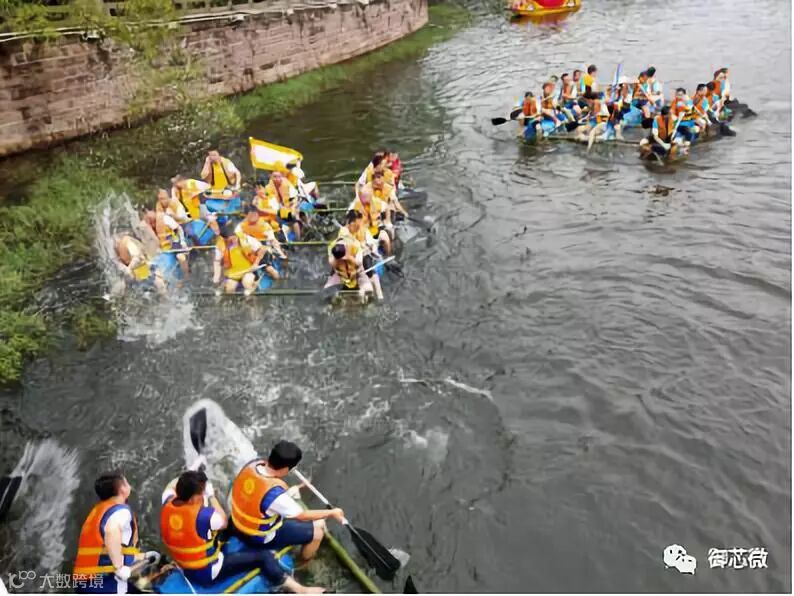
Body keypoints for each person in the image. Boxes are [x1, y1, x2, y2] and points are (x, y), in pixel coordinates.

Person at [160, 468, 324, 593]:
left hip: (187, 565)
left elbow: (171, 486)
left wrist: (191, 477)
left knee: (226, 530)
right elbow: (223, 521)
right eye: (201, 492)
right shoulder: (205, 517)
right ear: (193, 498)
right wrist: (211, 496)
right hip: (208, 572)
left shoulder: (167, 501)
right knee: (263, 557)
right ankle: (301, 590)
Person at [229, 441, 346, 562]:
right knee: (318, 533)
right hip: (256, 537)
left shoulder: (251, 466)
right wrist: (332, 513)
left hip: (237, 524)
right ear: (285, 468)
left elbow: (259, 494)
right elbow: (302, 516)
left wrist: (299, 487)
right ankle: (303, 563)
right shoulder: (275, 495)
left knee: (314, 522)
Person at [73, 472, 158, 594]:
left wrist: (143, 557)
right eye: (127, 483)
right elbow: (111, 530)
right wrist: (119, 568)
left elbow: (110, 551)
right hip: (106, 584)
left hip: (84, 582)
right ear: (123, 489)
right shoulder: (121, 511)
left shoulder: (98, 511)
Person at [336, 210, 384, 301]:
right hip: (349, 261)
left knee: (372, 273)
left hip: (363, 257)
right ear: (351, 223)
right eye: (357, 224)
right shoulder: (343, 232)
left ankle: (380, 296)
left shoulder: (362, 229)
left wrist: (370, 248)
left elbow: (371, 243)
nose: (359, 226)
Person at [235, 205, 287, 277]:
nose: (254, 217)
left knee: (269, 269)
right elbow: (238, 241)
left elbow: (272, 241)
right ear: (246, 216)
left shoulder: (264, 226)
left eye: (255, 214)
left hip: (264, 250)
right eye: (251, 215)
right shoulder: (240, 227)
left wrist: (280, 253)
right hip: (247, 251)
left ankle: (279, 278)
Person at [213, 225, 266, 296]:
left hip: (249, 270)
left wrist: (255, 264)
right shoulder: (220, 245)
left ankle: (252, 299)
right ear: (224, 239)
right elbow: (217, 261)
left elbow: (262, 249)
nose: (233, 241)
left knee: (247, 283)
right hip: (233, 272)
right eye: (230, 240)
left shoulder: (246, 239)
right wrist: (217, 276)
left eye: (234, 238)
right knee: (229, 289)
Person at [144, 209, 190, 279]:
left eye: (151, 221)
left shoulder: (165, 219)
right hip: (166, 249)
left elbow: (179, 229)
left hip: (176, 243)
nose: (151, 224)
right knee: (155, 261)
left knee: (180, 257)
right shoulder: (153, 225)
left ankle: (187, 275)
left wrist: (182, 241)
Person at [350, 187, 392, 256]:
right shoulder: (355, 206)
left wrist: (388, 220)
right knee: (364, 248)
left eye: (367, 196)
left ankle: (388, 255)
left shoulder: (376, 202)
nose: (365, 199)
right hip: (363, 232)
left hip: (376, 228)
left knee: (386, 237)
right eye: (363, 197)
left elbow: (387, 207)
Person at [265, 169, 301, 241]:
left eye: (279, 176)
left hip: (289, 206)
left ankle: (298, 239)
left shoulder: (286, 183)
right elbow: (271, 203)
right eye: (275, 177)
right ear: (271, 177)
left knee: (293, 218)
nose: (277, 179)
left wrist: (293, 207)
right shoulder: (268, 188)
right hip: (276, 210)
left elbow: (295, 197)